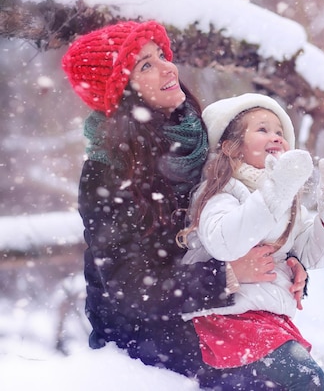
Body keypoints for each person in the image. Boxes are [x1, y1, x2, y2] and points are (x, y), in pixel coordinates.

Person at [61, 20, 308, 390]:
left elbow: (242, 216)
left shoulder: (198, 141)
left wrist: (286, 263)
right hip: (145, 331)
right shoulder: (107, 171)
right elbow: (128, 288)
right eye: (145, 65)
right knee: (290, 376)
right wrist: (227, 274)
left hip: (208, 304)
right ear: (123, 93)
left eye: (161, 55)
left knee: (301, 373)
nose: (168, 67)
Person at [176, 93, 324, 390]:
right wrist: (273, 194)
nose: (275, 137)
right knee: (308, 381)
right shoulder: (220, 193)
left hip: (267, 320)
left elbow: (309, 255)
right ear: (230, 147)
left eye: (279, 132)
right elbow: (226, 242)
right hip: (228, 320)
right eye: (263, 130)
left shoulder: (286, 204)